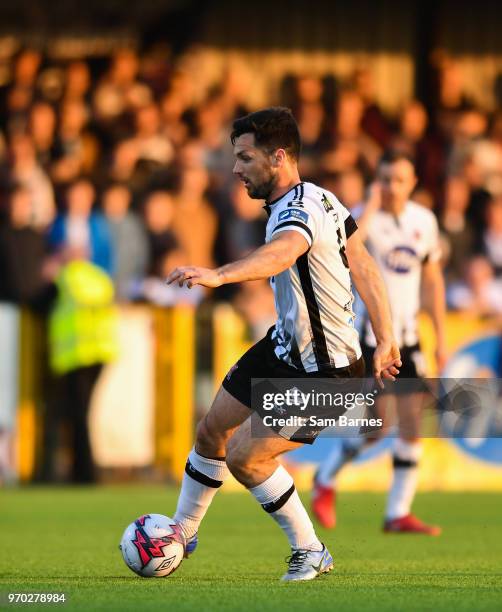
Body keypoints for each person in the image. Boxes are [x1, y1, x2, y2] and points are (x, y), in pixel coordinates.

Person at [166, 107, 400, 581]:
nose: (236, 168)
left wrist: (219, 275)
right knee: (211, 431)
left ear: (278, 157)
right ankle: (180, 533)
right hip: (284, 348)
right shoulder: (324, 199)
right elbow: (364, 265)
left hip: (327, 372)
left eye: (245, 157)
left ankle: (311, 549)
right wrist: (386, 338)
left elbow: (282, 253)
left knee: (246, 457)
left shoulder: (298, 212)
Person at [312, 150, 447, 535]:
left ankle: (397, 512)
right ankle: (326, 476)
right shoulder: (361, 217)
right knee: (378, 425)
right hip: (371, 336)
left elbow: (433, 279)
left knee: (411, 425)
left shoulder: (425, 221)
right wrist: (368, 205)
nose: (391, 188)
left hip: (409, 336)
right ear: (377, 182)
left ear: (413, 182)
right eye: (385, 179)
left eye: (399, 180)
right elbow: (348, 251)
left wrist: (438, 337)